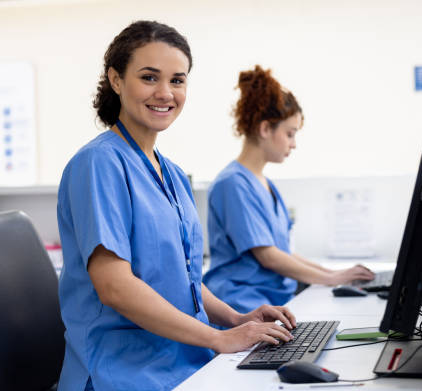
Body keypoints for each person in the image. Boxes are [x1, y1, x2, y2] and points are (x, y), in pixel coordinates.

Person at [56, 22, 296, 391]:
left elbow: (182, 279)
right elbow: (115, 288)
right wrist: (217, 338)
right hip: (124, 370)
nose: (165, 93)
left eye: (178, 80)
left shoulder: (171, 173)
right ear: (116, 80)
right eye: (149, 77)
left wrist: (234, 319)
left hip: (183, 358)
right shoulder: (98, 164)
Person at [203, 65, 375, 314]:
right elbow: (269, 256)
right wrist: (330, 279)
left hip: (272, 301)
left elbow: (285, 252)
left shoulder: (264, 183)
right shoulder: (232, 184)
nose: (293, 144)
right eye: (290, 134)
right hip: (242, 306)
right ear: (265, 129)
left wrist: (333, 274)